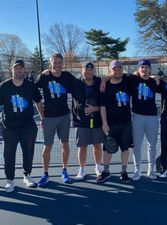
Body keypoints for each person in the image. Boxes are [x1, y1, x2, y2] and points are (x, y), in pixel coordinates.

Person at [0, 59, 44, 192]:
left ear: (24, 70)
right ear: (11, 70)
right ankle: (10, 180)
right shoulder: (4, 86)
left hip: (27, 125)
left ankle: (27, 176)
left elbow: (38, 102)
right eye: (16, 68)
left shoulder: (30, 86)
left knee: (28, 152)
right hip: (9, 126)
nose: (19, 70)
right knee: (9, 154)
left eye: (21, 68)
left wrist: (43, 118)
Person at [35, 53, 76, 187]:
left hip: (64, 117)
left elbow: (80, 85)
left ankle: (64, 171)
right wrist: (42, 116)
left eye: (59, 62)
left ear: (62, 63)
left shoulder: (67, 76)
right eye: (55, 62)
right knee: (47, 147)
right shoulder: (45, 77)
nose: (57, 65)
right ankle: (45, 174)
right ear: (50, 63)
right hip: (49, 118)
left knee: (65, 144)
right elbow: (34, 90)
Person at [98, 60, 132, 183]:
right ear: (110, 71)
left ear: (122, 70)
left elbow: (142, 73)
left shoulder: (128, 81)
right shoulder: (105, 86)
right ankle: (106, 171)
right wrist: (104, 123)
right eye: (114, 69)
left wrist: (155, 77)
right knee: (107, 149)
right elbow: (103, 107)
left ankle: (124, 172)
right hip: (110, 124)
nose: (117, 71)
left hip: (126, 123)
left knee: (125, 148)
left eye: (119, 69)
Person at [72, 62, 104, 180]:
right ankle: (82, 169)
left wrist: (94, 109)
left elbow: (104, 102)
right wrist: (46, 72)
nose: (88, 72)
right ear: (81, 71)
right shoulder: (75, 83)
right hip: (81, 121)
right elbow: (60, 77)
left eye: (90, 70)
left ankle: (98, 167)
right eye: (86, 70)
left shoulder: (100, 82)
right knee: (82, 146)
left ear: (93, 71)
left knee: (97, 145)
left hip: (96, 120)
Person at [131, 59, 160, 181]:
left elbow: (166, 82)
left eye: (146, 67)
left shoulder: (154, 81)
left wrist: (157, 77)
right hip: (137, 116)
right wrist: (133, 74)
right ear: (138, 69)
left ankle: (151, 169)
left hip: (152, 117)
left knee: (151, 145)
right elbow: (116, 75)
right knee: (137, 145)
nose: (144, 69)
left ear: (150, 69)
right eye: (141, 67)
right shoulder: (133, 80)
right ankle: (137, 170)